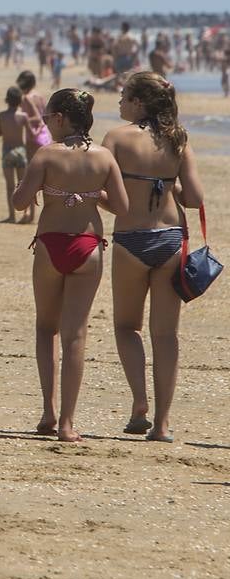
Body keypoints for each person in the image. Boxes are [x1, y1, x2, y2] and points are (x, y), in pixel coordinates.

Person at [11, 89, 128, 442]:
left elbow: (19, 203)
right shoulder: (104, 158)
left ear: (61, 118)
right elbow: (121, 207)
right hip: (87, 246)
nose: (46, 123)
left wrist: (39, 188)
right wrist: (91, 194)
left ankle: (47, 410)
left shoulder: (46, 155)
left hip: (51, 244)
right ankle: (67, 423)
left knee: (47, 329)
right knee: (76, 335)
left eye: (48, 118)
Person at [101, 72, 205, 442]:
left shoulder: (115, 138)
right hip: (170, 240)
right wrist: (169, 183)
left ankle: (139, 403)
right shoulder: (179, 140)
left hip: (131, 238)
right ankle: (161, 425)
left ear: (139, 103)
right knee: (166, 336)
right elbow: (193, 197)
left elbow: (103, 192)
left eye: (125, 96)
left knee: (127, 327)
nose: (120, 103)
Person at [0, 86, 34, 224]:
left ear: (7, 100)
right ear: (19, 101)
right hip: (20, 151)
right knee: (23, 185)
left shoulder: (2, 116)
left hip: (7, 151)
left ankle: (11, 216)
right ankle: (26, 212)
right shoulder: (23, 116)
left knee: (10, 186)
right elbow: (31, 134)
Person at [16, 70, 50, 159]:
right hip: (45, 134)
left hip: (33, 135)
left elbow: (35, 118)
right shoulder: (40, 96)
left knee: (31, 166)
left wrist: (22, 120)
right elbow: (46, 115)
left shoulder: (26, 98)